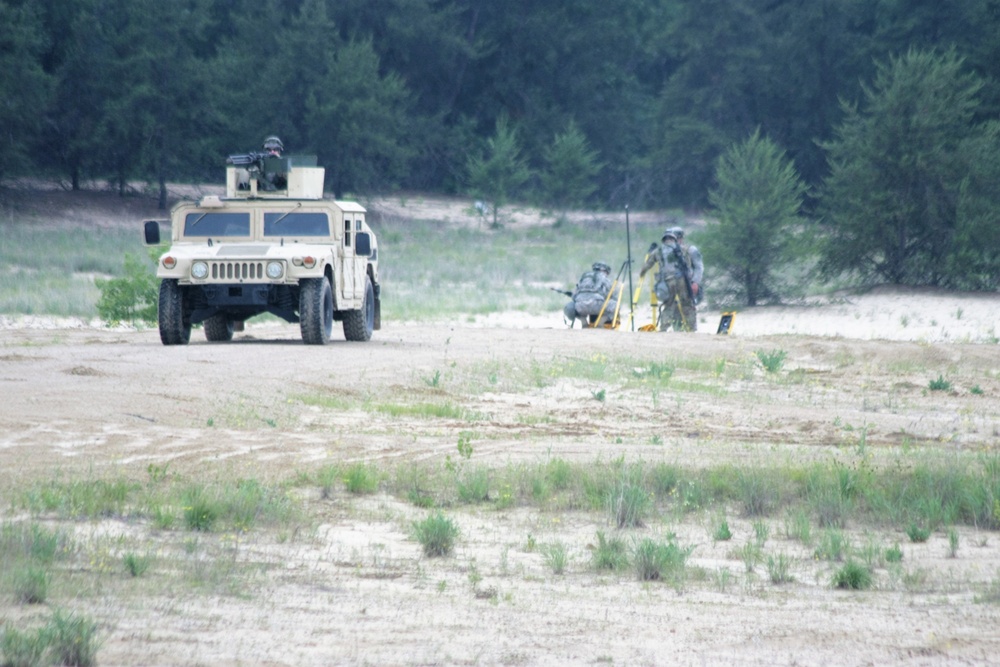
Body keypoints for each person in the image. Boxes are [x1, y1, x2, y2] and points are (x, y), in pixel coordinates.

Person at [638, 229, 696, 331]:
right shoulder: (683, 249)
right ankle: (692, 328)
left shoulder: (658, 251)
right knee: (687, 303)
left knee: (669, 304)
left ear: (663, 240)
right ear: (674, 239)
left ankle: (664, 328)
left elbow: (648, 265)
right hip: (681, 280)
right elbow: (688, 266)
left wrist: (641, 274)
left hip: (667, 281)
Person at [668, 225, 703, 329]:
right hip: (673, 286)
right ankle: (677, 330)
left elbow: (699, 267)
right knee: (675, 311)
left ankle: (691, 330)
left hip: (688, 285)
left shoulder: (691, 250)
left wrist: (695, 282)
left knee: (688, 309)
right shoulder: (668, 253)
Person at [564, 262, 618, 328]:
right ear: (604, 271)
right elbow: (613, 294)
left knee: (570, 306)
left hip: (580, 307)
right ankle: (600, 323)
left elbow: (574, 296)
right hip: (597, 306)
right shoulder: (603, 278)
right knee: (615, 304)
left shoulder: (584, 277)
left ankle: (583, 321)